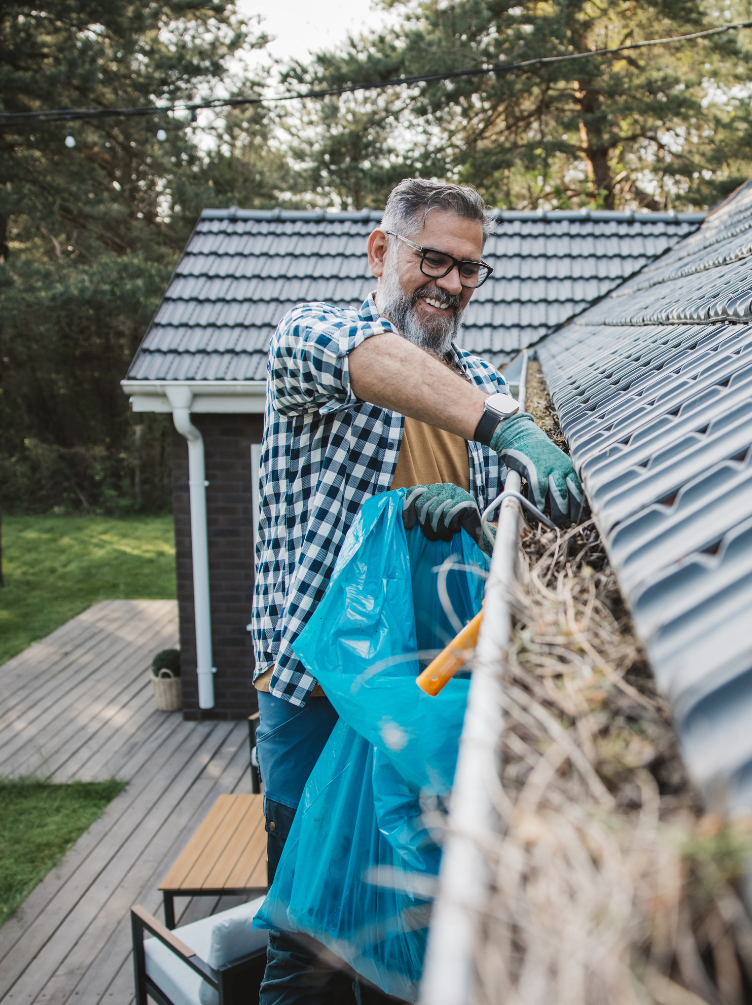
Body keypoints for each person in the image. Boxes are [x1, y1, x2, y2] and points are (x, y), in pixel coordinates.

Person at [249, 179, 586, 1004]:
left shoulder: (477, 380)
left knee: (405, 929)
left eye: (470, 269)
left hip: (424, 692)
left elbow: (497, 549)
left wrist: (475, 521)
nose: (450, 283)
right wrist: (507, 428)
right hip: (315, 694)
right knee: (307, 931)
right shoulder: (312, 338)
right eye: (432, 258)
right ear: (380, 251)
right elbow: (372, 360)